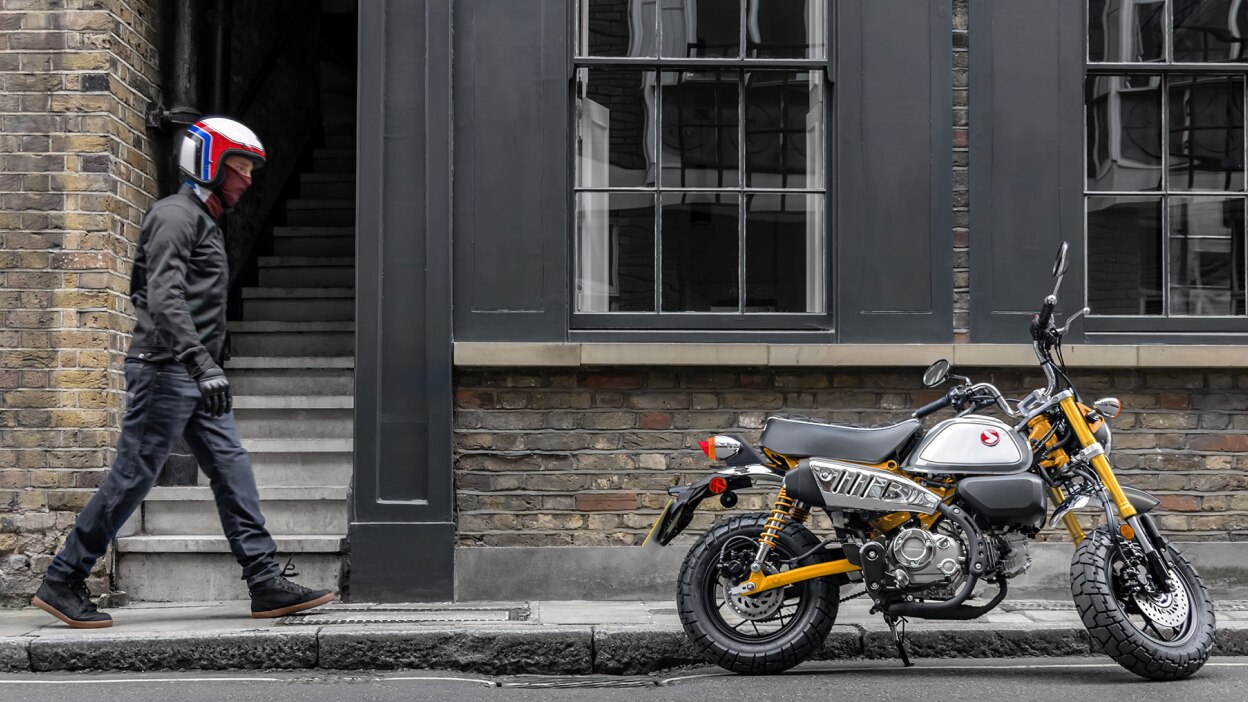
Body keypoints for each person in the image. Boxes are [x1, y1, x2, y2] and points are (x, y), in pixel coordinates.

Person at [33, 117, 336, 628]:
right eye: (240, 167)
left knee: (232, 468)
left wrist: (208, 361)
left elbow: (156, 290)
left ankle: (264, 580)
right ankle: (63, 578)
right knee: (133, 477)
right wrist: (198, 360)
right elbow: (160, 293)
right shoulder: (175, 215)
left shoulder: (201, 220)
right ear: (210, 163)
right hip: (166, 371)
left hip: (193, 373)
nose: (248, 179)